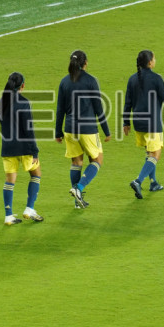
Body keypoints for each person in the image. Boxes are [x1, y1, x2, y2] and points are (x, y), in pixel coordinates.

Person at [122, 50, 164, 199]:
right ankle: (138, 181)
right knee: (156, 154)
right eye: (154, 58)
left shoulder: (132, 79)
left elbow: (127, 103)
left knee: (149, 152)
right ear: (150, 62)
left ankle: (153, 183)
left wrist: (126, 122)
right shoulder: (156, 78)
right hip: (152, 123)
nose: (155, 60)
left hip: (138, 123)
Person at [55, 50, 111, 208]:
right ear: (85, 62)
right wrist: (106, 131)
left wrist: (58, 131)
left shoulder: (64, 82)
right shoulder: (91, 81)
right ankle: (78, 188)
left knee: (77, 162)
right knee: (97, 160)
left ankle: (77, 202)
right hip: (87, 129)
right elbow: (98, 108)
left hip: (70, 128)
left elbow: (60, 109)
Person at [0, 72, 44, 225]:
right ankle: (29, 208)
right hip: (24, 147)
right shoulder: (24, 102)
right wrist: (34, 151)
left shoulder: (2, 102)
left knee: (10, 180)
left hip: (7, 147)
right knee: (36, 174)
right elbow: (28, 129)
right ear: (22, 85)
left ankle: (8, 216)